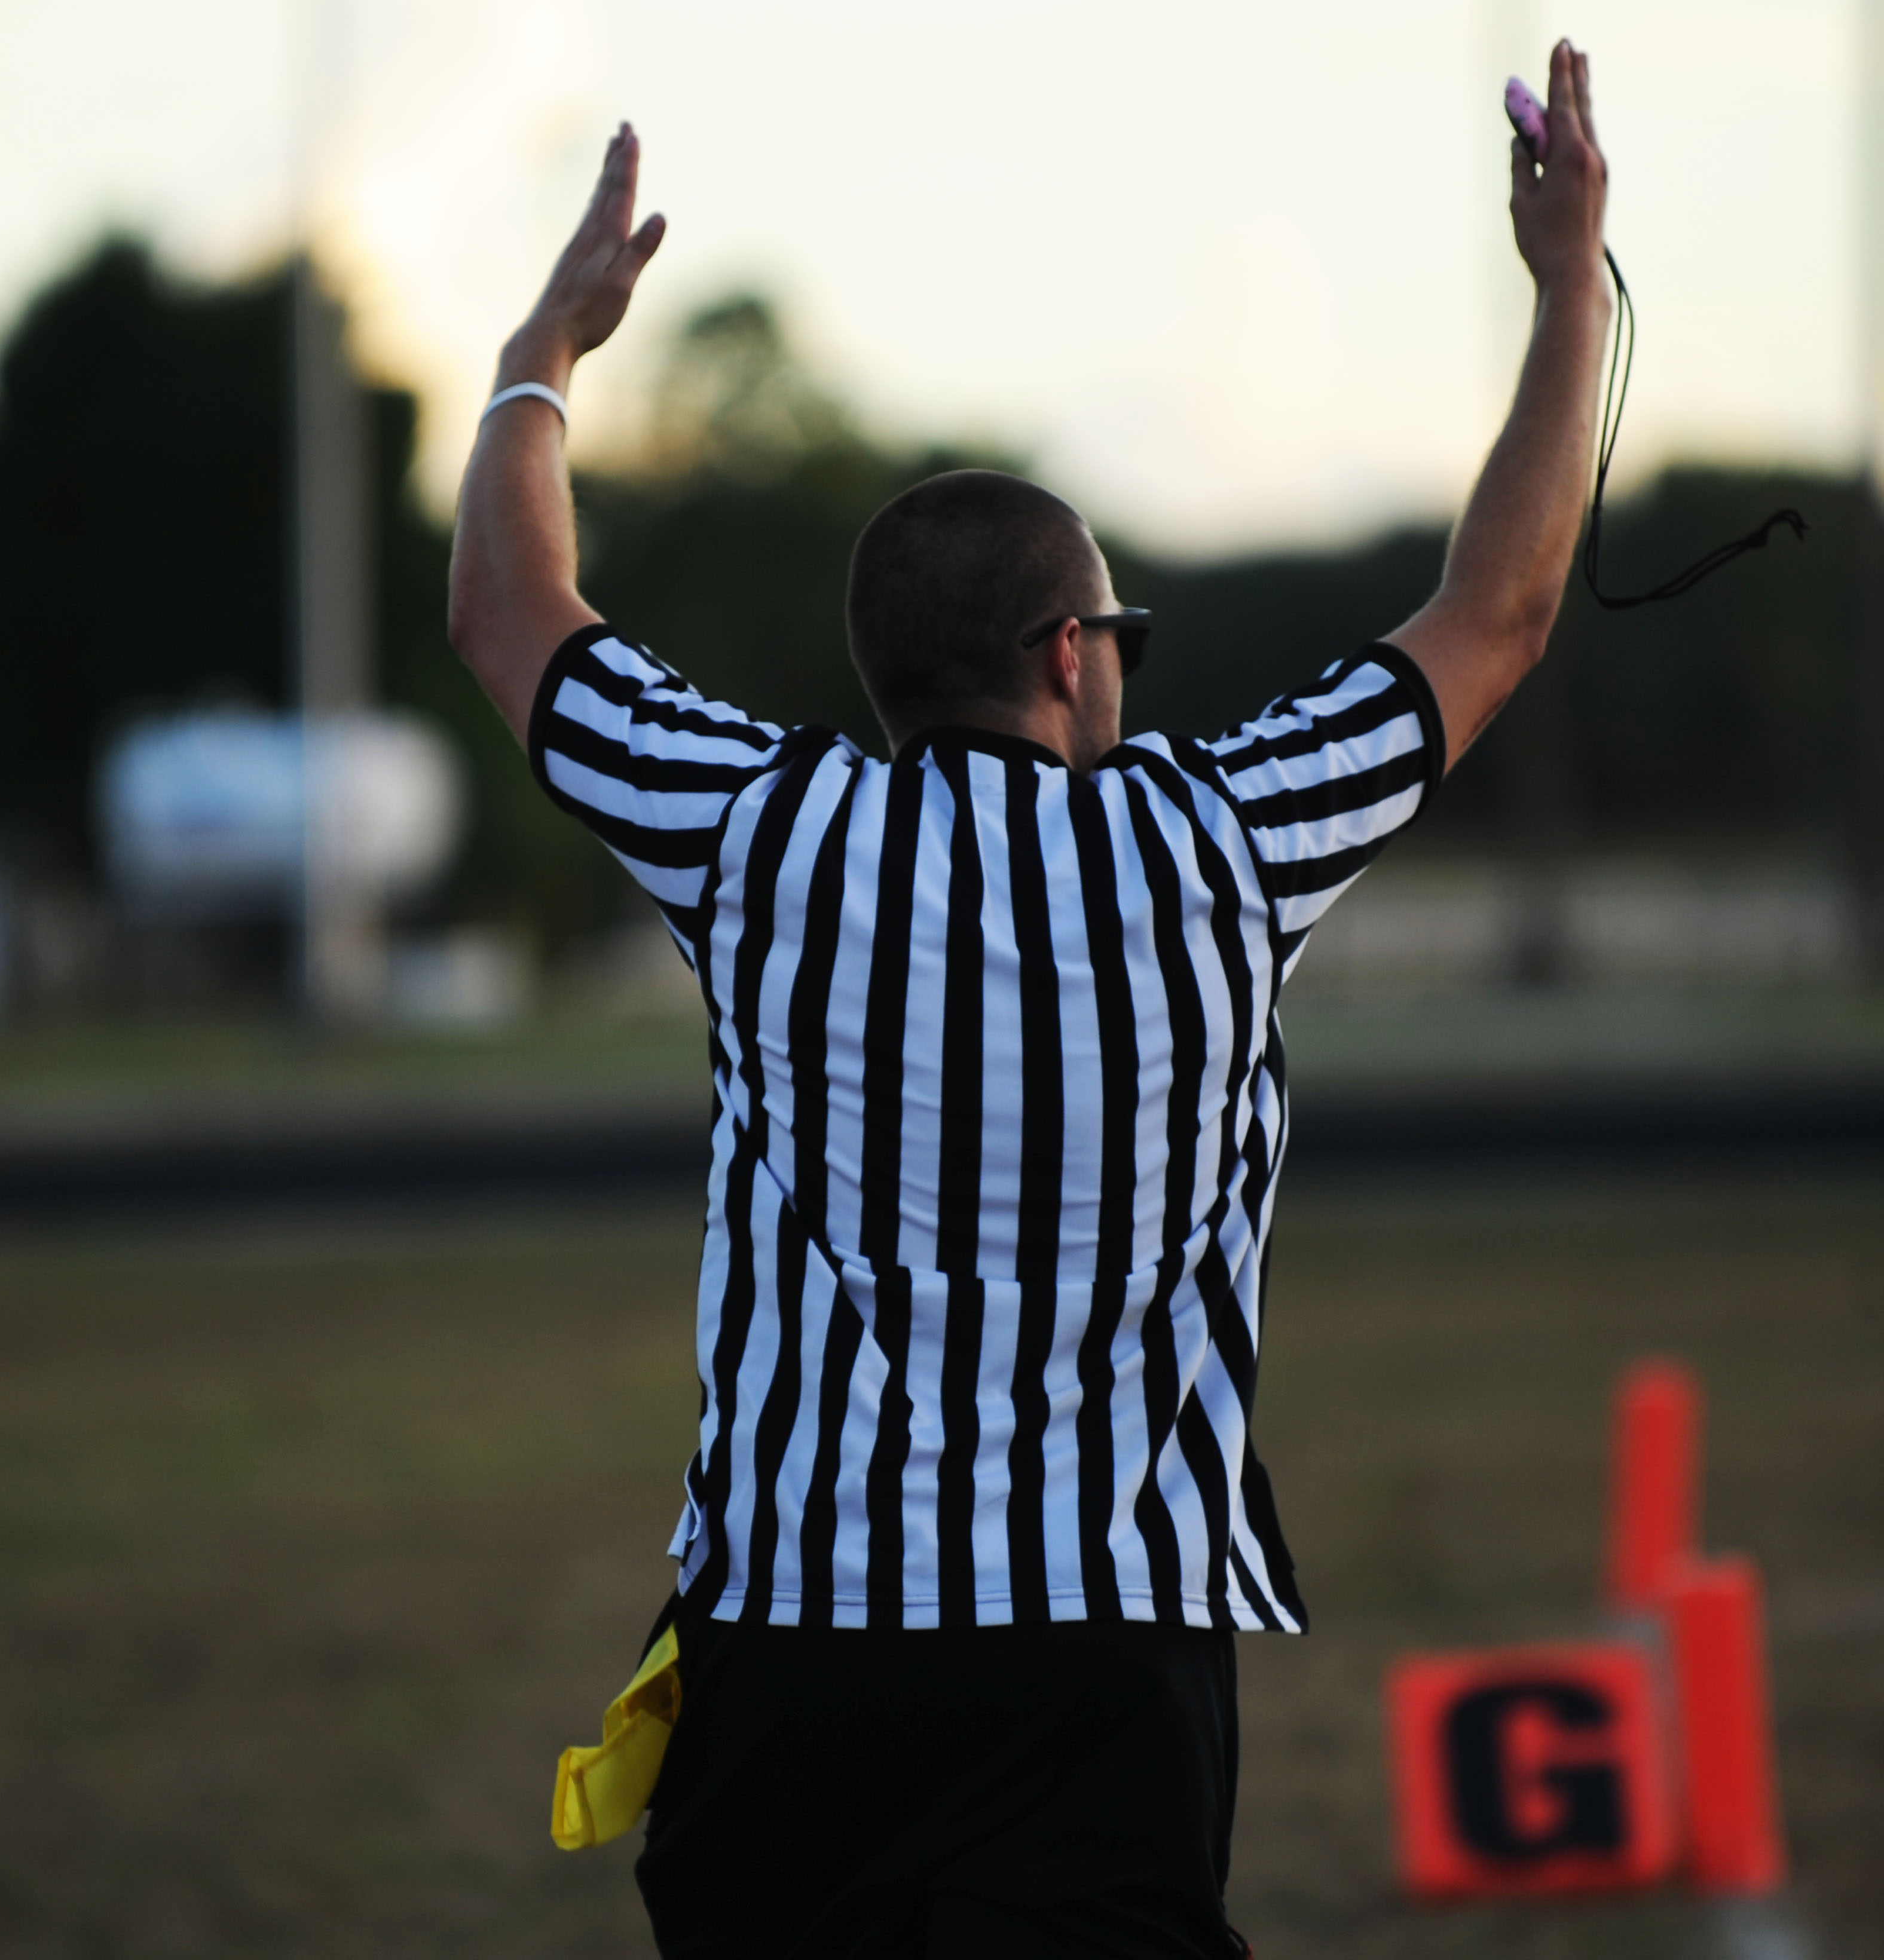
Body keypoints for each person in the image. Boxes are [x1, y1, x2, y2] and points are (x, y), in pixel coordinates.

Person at [446, 44, 1615, 1960]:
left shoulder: (766, 834)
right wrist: (1570, 283)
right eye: (1120, 639)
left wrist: (541, 354)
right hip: (1095, 1660)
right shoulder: (1216, 845)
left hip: (790, 1648)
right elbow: (1498, 611)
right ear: (1069, 654)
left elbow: (512, 612)